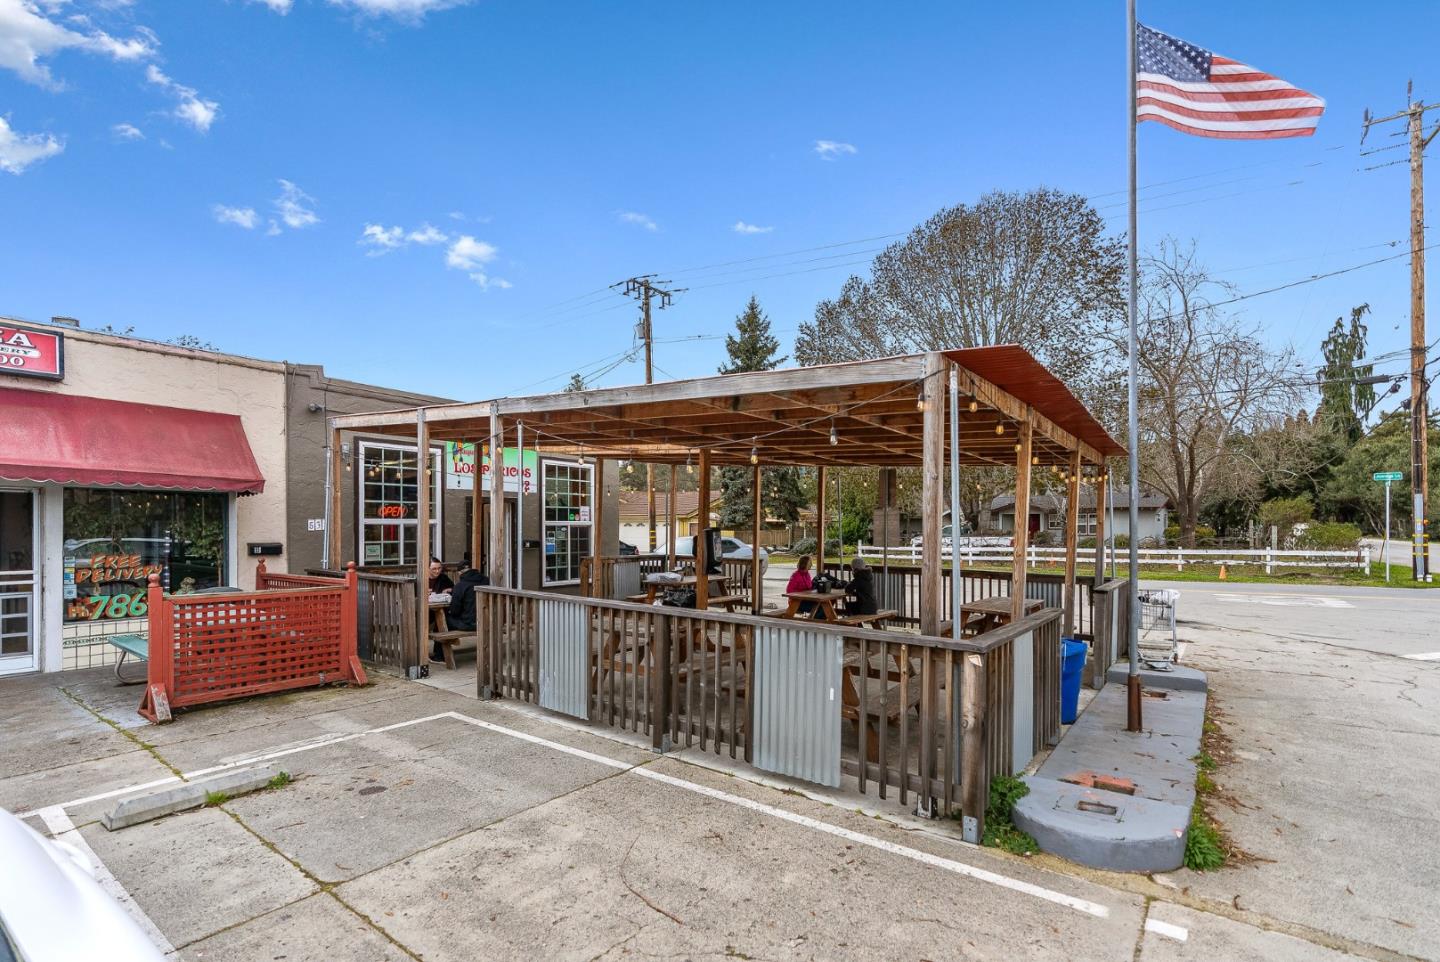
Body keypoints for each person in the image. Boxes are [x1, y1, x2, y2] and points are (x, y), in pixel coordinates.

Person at [434, 565, 489, 662]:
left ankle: (440, 656)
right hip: (486, 621)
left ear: (460, 573)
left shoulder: (461, 585)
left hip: (469, 624)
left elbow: (455, 611)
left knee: (441, 622)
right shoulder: (486, 580)